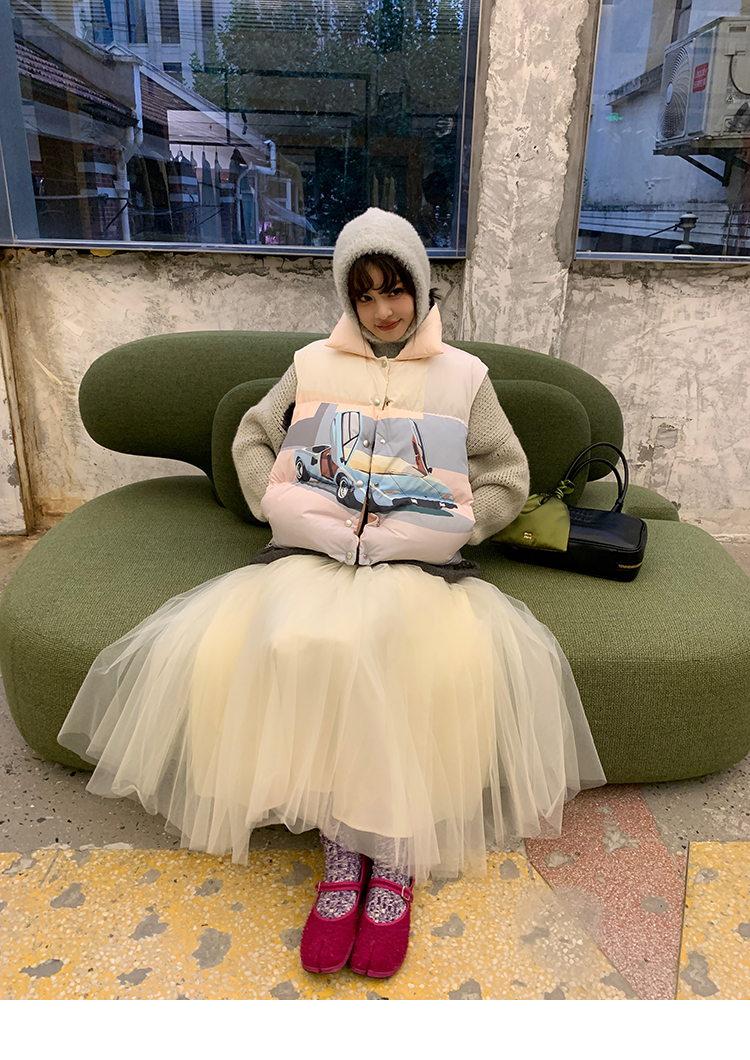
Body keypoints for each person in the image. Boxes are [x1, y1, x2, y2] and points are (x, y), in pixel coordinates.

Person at [58, 208, 605, 981]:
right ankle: (344, 852)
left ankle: (395, 857)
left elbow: (506, 472)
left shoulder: (463, 377)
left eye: (396, 290)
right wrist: (276, 499)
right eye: (365, 294)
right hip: (315, 556)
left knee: (404, 651)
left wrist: (462, 523)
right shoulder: (313, 363)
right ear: (347, 298)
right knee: (299, 639)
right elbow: (253, 435)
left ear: (422, 287)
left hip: (419, 567)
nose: (383, 310)